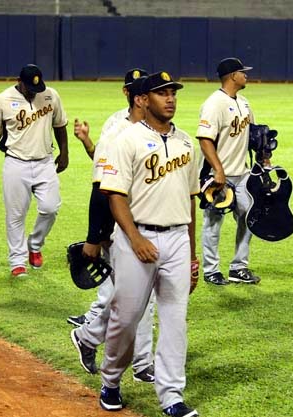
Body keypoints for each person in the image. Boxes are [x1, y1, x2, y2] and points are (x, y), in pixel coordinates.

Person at [98, 71, 199, 417]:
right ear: (145, 99)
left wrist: (193, 252)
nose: (170, 98)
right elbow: (114, 196)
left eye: (173, 93)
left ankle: (171, 395)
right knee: (125, 318)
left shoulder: (187, 143)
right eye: (162, 93)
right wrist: (136, 238)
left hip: (176, 239)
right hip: (133, 237)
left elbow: (191, 200)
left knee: (175, 319)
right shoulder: (126, 139)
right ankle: (110, 379)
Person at [68, 69, 156, 384]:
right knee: (136, 298)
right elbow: (102, 186)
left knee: (134, 296)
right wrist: (97, 236)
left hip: (150, 222)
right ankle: (140, 361)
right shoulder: (116, 130)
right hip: (123, 226)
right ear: (137, 97)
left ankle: (90, 337)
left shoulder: (157, 131)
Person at [0, 64, 68, 277]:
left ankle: (34, 243)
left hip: (45, 162)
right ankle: (17, 261)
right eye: (30, 88)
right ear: (19, 81)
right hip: (16, 163)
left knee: (50, 207)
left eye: (38, 87)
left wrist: (64, 153)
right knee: (16, 215)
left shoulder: (50, 95)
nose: (35, 92)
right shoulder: (2, 100)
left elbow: (60, 125)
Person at [196, 57, 260, 285]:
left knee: (249, 215)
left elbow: (254, 134)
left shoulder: (243, 102)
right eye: (243, 72)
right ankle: (211, 270)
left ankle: (238, 267)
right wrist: (218, 171)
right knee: (213, 223)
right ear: (233, 76)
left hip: (241, 174)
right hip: (217, 175)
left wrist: (265, 157)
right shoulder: (214, 104)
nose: (246, 75)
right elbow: (205, 140)